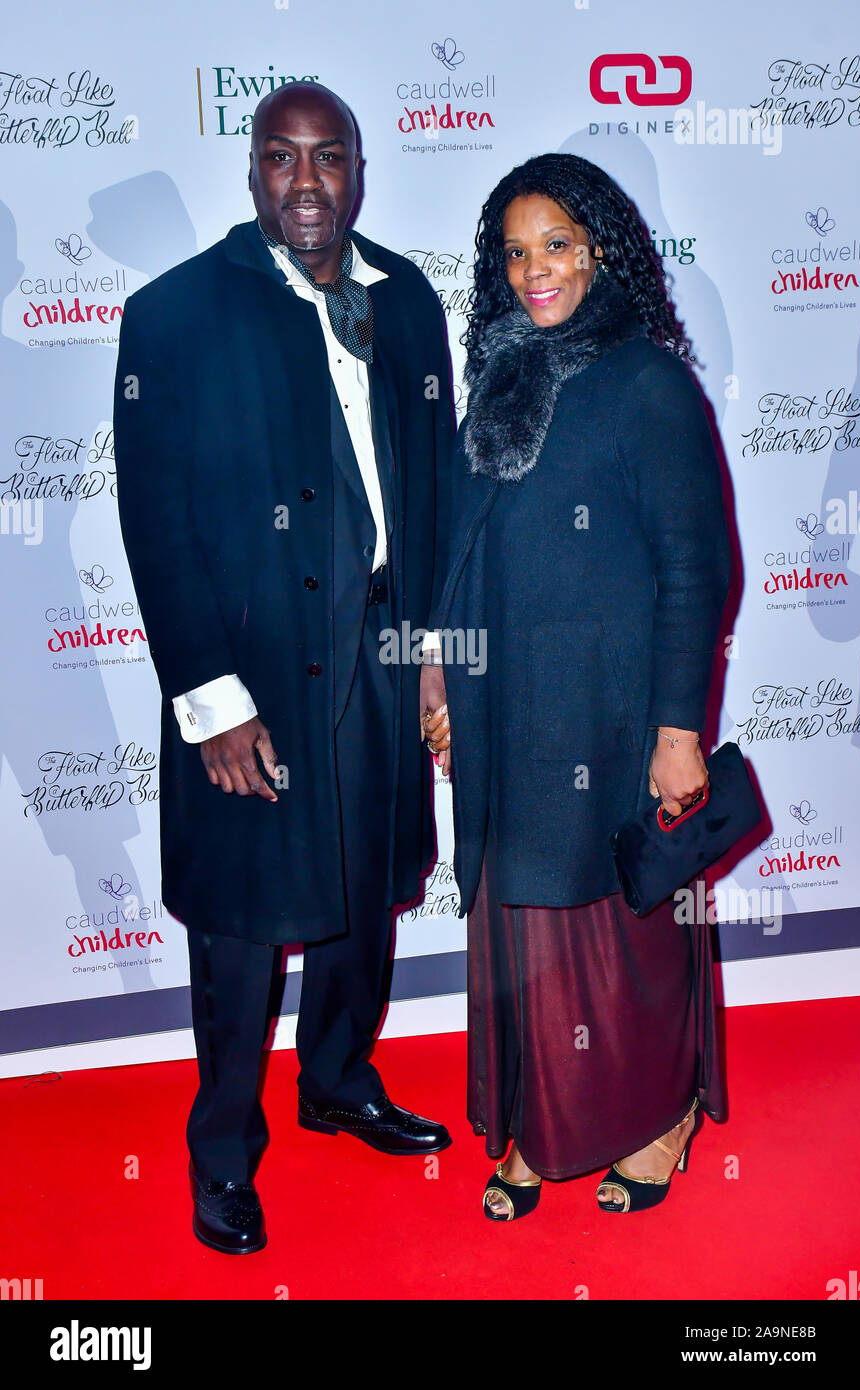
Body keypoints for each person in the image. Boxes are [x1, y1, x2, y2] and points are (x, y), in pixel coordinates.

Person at [113, 82, 455, 1255]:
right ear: (251, 168)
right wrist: (210, 702)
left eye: (328, 157)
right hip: (252, 673)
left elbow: (431, 488)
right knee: (242, 920)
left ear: (358, 169)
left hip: (380, 646)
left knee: (362, 888)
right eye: (281, 157)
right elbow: (156, 525)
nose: (306, 182)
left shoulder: (405, 297)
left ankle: (338, 1079)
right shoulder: (174, 314)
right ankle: (221, 1149)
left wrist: (428, 653)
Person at [425, 153, 732, 1219]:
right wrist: (437, 674)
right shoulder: (498, 378)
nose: (535, 271)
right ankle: (538, 1124)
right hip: (504, 710)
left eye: (555, 244)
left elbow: (696, 567)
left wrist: (676, 729)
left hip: (609, 712)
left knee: (618, 925)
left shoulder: (646, 380)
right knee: (519, 923)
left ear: (600, 250)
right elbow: (459, 551)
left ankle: (656, 1118)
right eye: (515, 253)